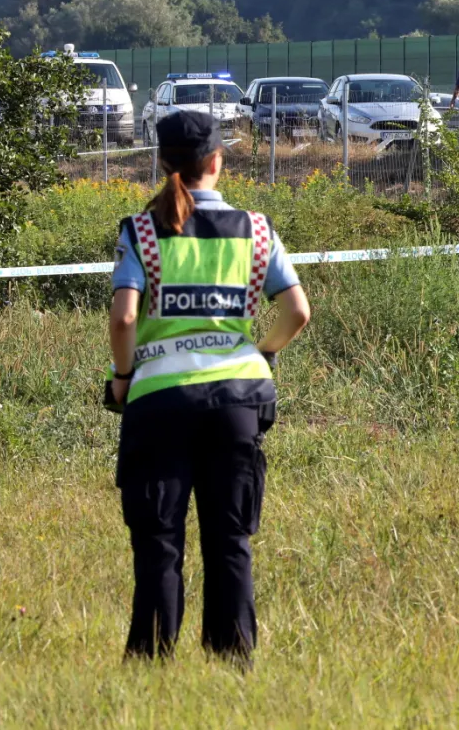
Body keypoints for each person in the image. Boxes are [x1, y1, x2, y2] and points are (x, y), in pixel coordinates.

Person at [106, 111, 310, 664]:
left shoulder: (141, 231)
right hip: (238, 403)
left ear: (164, 163)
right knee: (229, 541)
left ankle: (149, 664)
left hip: (159, 405)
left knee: (158, 543)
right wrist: (261, 354)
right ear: (218, 160)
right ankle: (234, 662)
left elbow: (124, 320)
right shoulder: (258, 230)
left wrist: (123, 380)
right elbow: (297, 311)